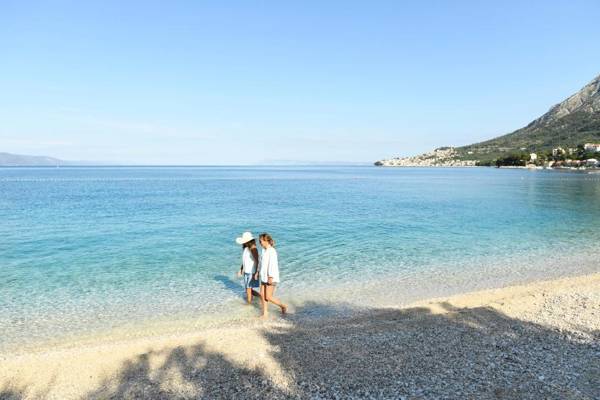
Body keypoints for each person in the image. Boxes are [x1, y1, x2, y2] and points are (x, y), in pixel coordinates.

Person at [258, 233, 287, 318]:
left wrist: (270, 276)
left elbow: (272, 264)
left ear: (266, 240)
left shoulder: (272, 251)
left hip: (271, 276)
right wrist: (257, 272)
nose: (260, 243)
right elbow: (261, 263)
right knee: (262, 295)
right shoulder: (264, 250)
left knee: (268, 296)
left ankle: (282, 306)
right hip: (263, 276)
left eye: (261, 241)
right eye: (260, 241)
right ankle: (265, 313)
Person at [235, 231, 260, 304]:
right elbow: (244, 261)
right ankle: (261, 298)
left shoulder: (253, 248)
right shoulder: (246, 248)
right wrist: (241, 269)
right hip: (247, 271)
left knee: (249, 289)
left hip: (252, 271)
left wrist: (256, 272)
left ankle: (249, 303)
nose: (243, 243)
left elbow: (257, 261)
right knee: (248, 289)